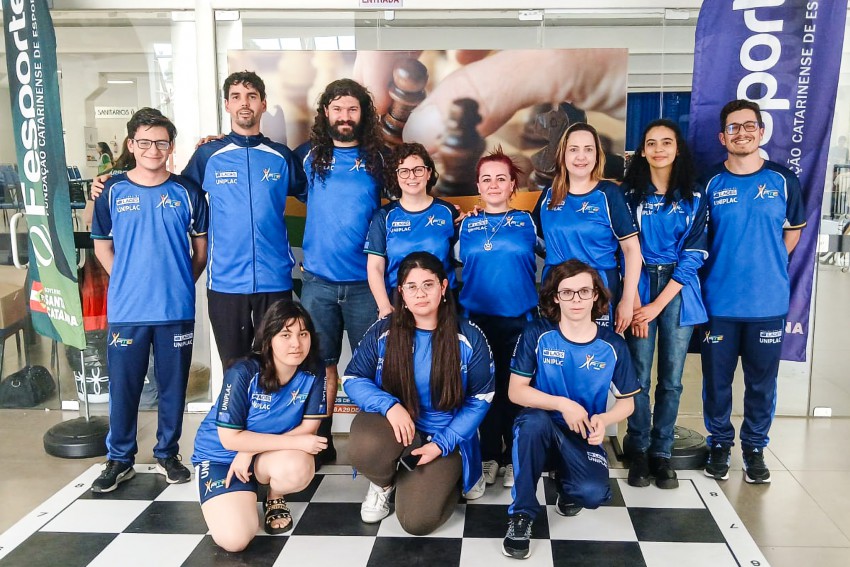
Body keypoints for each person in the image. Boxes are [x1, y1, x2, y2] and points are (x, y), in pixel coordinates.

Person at [91, 71, 308, 367]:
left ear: (263, 104)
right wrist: (114, 180)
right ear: (227, 105)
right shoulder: (208, 155)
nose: (244, 103)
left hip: (276, 280)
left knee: (278, 367)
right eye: (236, 97)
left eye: (252, 96)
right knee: (235, 368)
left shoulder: (281, 156)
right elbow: (167, 186)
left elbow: (315, 194)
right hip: (225, 283)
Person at [90, 108, 209, 492]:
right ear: (131, 144)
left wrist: (179, 282)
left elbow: (201, 251)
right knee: (124, 387)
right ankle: (119, 459)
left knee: (173, 387)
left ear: (171, 147)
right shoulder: (112, 191)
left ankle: (167, 453)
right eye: (144, 142)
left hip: (175, 309)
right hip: (128, 311)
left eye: (161, 142)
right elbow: (101, 246)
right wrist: (128, 280)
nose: (153, 149)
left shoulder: (188, 192)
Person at [342, 252, 494, 535]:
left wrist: (442, 444)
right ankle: (384, 483)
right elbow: (352, 378)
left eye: (428, 284)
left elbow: (480, 399)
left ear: (443, 287)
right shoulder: (383, 331)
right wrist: (389, 406)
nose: (420, 294)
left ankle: (457, 473)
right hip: (397, 427)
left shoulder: (469, 336)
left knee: (416, 521)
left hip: (445, 435)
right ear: (401, 292)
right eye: (411, 286)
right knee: (365, 444)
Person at [502, 260, 639, 560]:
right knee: (531, 424)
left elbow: (627, 403)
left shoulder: (613, 345)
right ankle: (521, 514)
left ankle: (567, 484)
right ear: (555, 297)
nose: (576, 300)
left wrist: (604, 419)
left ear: (595, 295)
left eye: (583, 291)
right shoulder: (537, 333)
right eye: (567, 292)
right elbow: (516, 391)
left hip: (581, 433)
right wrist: (563, 405)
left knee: (592, 493)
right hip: (540, 425)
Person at [700, 99, 806, 484]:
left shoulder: (783, 180)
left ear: (761, 132)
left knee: (761, 383)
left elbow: (792, 233)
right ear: (722, 137)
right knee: (717, 382)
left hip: (767, 303)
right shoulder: (710, 182)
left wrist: (766, 262)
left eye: (749, 126)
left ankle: (755, 448)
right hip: (719, 303)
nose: (741, 133)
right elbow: (700, 239)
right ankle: (719, 444)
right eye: (733, 127)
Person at [294, 79, 385, 467]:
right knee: (320, 365)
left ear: (362, 113)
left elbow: (410, 197)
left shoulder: (379, 158)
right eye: (337, 108)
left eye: (352, 109)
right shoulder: (307, 156)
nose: (344, 116)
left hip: (367, 285)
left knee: (373, 368)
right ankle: (322, 439)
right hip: (318, 283)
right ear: (325, 113)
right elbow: (265, 176)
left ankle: (375, 444)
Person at [191, 300, 328, 552]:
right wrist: (244, 450)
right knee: (235, 540)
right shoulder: (243, 372)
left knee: (298, 468)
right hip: (220, 456)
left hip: (263, 455)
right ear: (269, 339)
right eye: (285, 335)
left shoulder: (314, 369)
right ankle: (231, 494)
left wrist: (249, 451)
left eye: (303, 334)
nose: (296, 344)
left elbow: (308, 429)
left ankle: (274, 495)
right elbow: (230, 439)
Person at [621, 119, 708, 489]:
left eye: (666, 142)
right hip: (638, 284)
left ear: (677, 148)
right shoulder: (629, 196)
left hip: (677, 290)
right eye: (651, 143)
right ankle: (638, 449)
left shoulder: (695, 195)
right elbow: (624, 249)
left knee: (671, 380)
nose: (659, 149)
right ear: (642, 151)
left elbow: (695, 254)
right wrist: (636, 301)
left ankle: (662, 451)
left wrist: (657, 305)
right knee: (639, 376)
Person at [455, 147, 539, 489]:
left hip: (520, 322)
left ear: (512, 185)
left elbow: (559, 256)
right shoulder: (465, 225)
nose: (493, 184)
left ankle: (513, 458)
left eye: (501, 178)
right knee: (484, 392)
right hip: (477, 323)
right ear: (478, 185)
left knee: (516, 392)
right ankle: (489, 455)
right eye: (486, 179)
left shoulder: (528, 221)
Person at [532, 122, 641, 333]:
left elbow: (632, 249)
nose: (581, 156)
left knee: (596, 349)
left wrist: (628, 300)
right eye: (574, 149)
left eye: (588, 149)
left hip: (598, 287)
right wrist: (482, 216)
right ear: (563, 154)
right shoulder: (550, 194)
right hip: (556, 288)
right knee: (556, 348)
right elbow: (531, 236)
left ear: (597, 155)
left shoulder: (608, 194)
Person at [365, 143, 459, 316]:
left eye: (418, 170)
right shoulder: (384, 216)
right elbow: (375, 267)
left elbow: (463, 256)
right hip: (399, 302)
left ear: (428, 172)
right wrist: (384, 306)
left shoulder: (447, 212)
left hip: (443, 302)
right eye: (404, 171)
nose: (412, 176)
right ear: (396, 176)